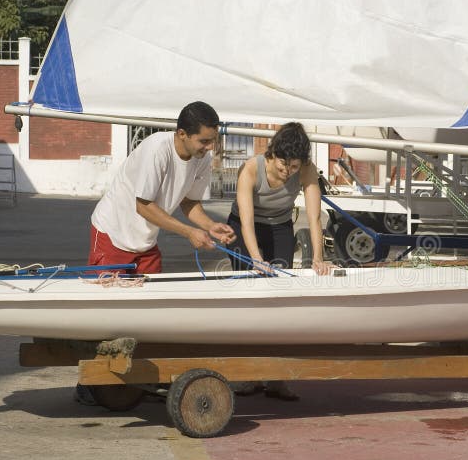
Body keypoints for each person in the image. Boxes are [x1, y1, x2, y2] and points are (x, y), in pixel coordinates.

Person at [75, 101, 236, 406]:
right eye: (203, 141)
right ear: (181, 134)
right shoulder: (156, 150)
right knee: (105, 317)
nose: (208, 147)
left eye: (212, 140)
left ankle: (139, 378)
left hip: (145, 241)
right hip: (112, 233)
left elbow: (190, 204)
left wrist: (210, 226)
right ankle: (89, 383)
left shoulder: (201, 157)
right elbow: (143, 205)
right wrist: (189, 232)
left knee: (148, 315)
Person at [226, 122, 331, 400]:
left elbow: (314, 217)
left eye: (294, 168)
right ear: (272, 155)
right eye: (283, 166)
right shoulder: (251, 169)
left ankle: (276, 378)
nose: (288, 173)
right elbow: (246, 222)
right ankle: (245, 374)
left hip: (279, 226)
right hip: (243, 227)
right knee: (248, 296)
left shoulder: (306, 170)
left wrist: (319, 258)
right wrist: (256, 260)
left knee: (280, 297)